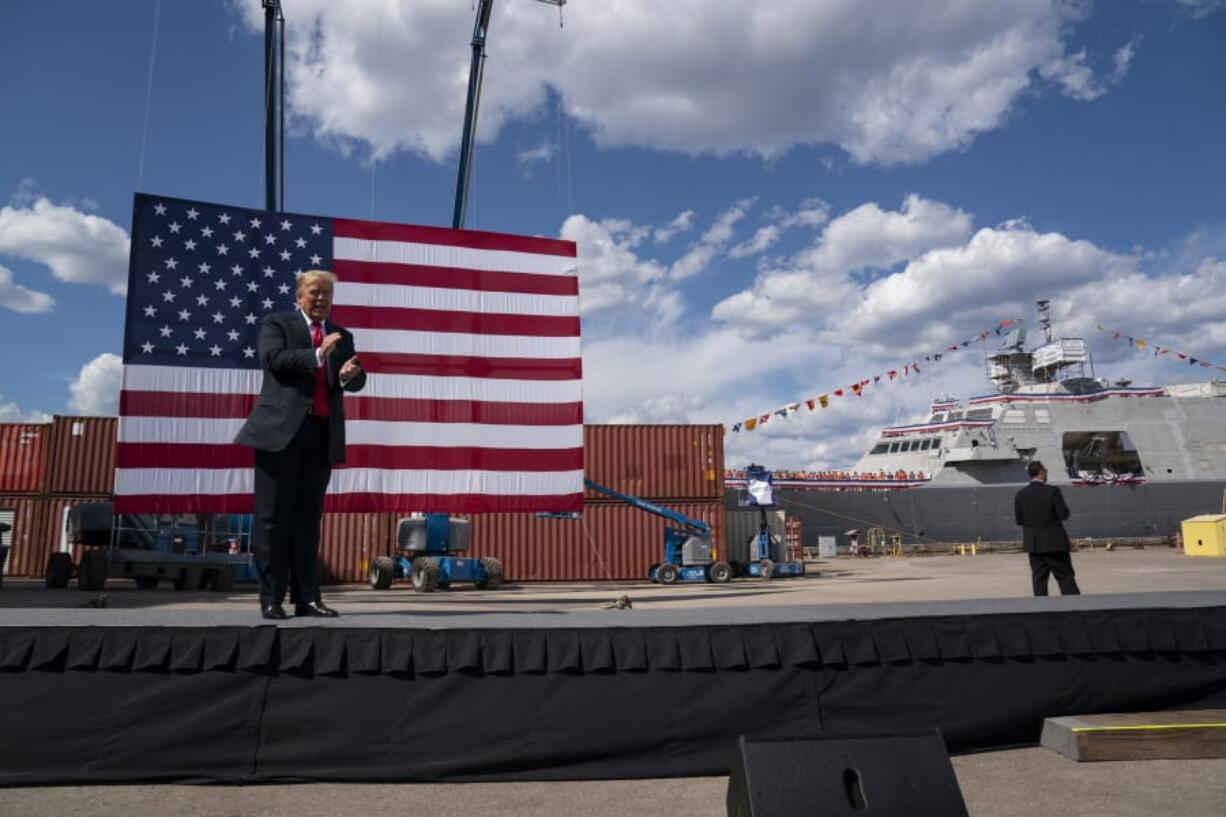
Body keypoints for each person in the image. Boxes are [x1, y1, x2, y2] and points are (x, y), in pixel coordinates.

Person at [235, 270, 366, 620]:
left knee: (308, 521)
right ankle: (271, 598)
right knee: (273, 520)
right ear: (299, 295)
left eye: (327, 293)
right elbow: (274, 361)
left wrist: (349, 376)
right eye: (314, 292)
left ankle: (307, 597)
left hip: (320, 435)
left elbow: (356, 378)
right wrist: (316, 355)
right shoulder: (277, 324)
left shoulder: (343, 336)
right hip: (279, 435)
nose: (321, 298)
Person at [1014, 460, 1080, 596]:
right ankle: (1075, 609)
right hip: (1055, 543)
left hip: (1034, 545)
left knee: (1039, 580)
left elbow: (1019, 521)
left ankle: (1041, 611)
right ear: (1041, 473)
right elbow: (1063, 514)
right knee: (1065, 578)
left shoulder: (1020, 495)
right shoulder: (1053, 491)